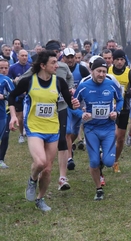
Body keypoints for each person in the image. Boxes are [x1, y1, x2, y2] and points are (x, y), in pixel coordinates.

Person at [8, 50, 80, 211]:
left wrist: (74, 103)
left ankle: (40, 199)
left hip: (52, 129)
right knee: (40, 162)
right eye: (53, 63)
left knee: (47, 169)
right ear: (43, 65)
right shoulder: (28, 81)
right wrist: (13, 116)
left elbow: (69, 103)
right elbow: (12, 97)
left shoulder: (59, 82)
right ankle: (32, 179)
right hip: (34, 128)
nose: (57, 65)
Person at [18, 40, 75, 191]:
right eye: (54, 53)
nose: (57, 56)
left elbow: (69, 79)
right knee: (42, 157)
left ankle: (62, 176)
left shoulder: (62, 67)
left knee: (63, 139)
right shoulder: (38, 70)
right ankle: (38, 168)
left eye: (58, 52)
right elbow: (21, 80)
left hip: (60, 108)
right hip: (40, 116)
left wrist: (70, 89)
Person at [73, 57, 123, 200]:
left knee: (108, 162)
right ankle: (98, 189)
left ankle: (102, 158)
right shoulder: (83, 86)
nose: (101, 74)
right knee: (94, 162)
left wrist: (116, 112)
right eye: (98, 71)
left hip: (108, 129)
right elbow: (72, 107)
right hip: (91, 129)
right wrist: (82, 114)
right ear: (92, 71)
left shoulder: (111, 84)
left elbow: (120, 99)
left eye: (104, 71)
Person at [108, 49, 131, 173]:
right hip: (108, 108)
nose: (119, 62)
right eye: (117, 59)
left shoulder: (130, 73)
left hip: (124, 109)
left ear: (125, 60)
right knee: (112, 135)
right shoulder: (107, 71)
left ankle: (115, 161)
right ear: (113, 60)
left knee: (121, 138)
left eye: (121, 59)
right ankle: (105, 154)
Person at [62, 47, 90, 170]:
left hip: (79, 105)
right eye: (67, 57)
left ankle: (70, 148)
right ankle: (69, 159)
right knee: (67, 132)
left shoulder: (82, 69)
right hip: (64, 104)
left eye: (72, 57)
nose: (70, 60)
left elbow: (90, 83)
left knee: (74, 132)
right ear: (63, 58)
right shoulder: (60, 70)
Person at [8, 49, 31, 144]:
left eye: (26, 55)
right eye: (22, 55)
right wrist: (14, 80)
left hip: (29, 95)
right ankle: (21, 134)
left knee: (30, 116)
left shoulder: (31, 67)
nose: (24, 57)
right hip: (19, 95)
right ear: (18, 57)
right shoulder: (13, 67)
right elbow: (8, 79)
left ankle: (30, 133)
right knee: (20, 117)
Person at [0, 58, 14, 169]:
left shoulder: (6, 80)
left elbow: (15, 95)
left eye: (6, 68)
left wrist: (4, 97)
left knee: (4, 136)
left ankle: (1, 159)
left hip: (3, 114)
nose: (4, 70)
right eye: (1, 68)